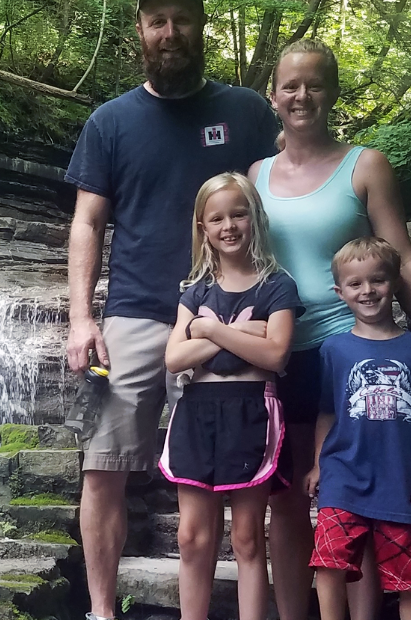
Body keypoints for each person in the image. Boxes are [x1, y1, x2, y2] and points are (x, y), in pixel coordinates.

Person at [64, 0, 279, 619]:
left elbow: (278, 203)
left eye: (181, 19)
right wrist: (81, 317)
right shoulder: (110, 122)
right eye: (157, 20)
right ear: (140, 32)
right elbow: (87, 223)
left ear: (201, 25)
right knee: (103, 465)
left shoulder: (245, 113)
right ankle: (103, 611)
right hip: (135, 313)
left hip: (231, 316)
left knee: (245, 473)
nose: (170, 32)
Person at [248, 38, 411, 620]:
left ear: (333, 93)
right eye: (290, 85)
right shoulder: (257, 174)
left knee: (364, 495)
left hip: (352, 347)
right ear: (274, 95)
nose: (302, 95)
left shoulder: (365, 164)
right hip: (280, 347)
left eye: (315, 84)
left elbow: (405, 257)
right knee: (288, 496)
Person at [162, 173, 303, 620]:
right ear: (203, 227)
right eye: (217, 217)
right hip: (197, 413)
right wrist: (239, 333)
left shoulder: (277, 285)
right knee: (191, 535)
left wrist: (209, 331)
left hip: (252, 412)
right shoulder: (195, 290)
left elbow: (276, 354)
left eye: (238, 214)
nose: (229, 225)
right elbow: (174, 358)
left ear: (255, 218)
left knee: (246, 536)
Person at [303, 237, 411, 620]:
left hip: (403, 482)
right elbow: (327, 411)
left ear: (395, 284)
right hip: (344, 476)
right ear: (339, 292)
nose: (368, 291)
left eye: (378, 280)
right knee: (329, 561)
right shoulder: (333, 349)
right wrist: (319, 464)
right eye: (355, 284)